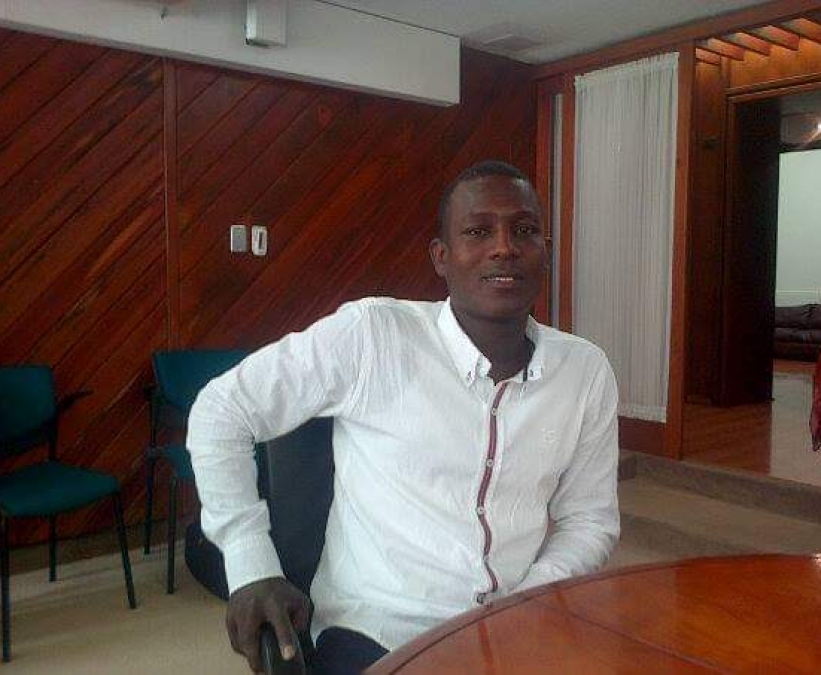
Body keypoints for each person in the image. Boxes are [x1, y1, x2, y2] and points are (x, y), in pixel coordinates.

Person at [187, 161, 620, 674]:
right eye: (478, 231)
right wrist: (250, 564)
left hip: (517, 627)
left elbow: (589, 519)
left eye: (524, 231)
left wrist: (526, 601)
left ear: (544, 252)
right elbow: (221, 410)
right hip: (378, 631)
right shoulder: (373, 336)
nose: (504, 247)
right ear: (441, 257)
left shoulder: (584, 371)